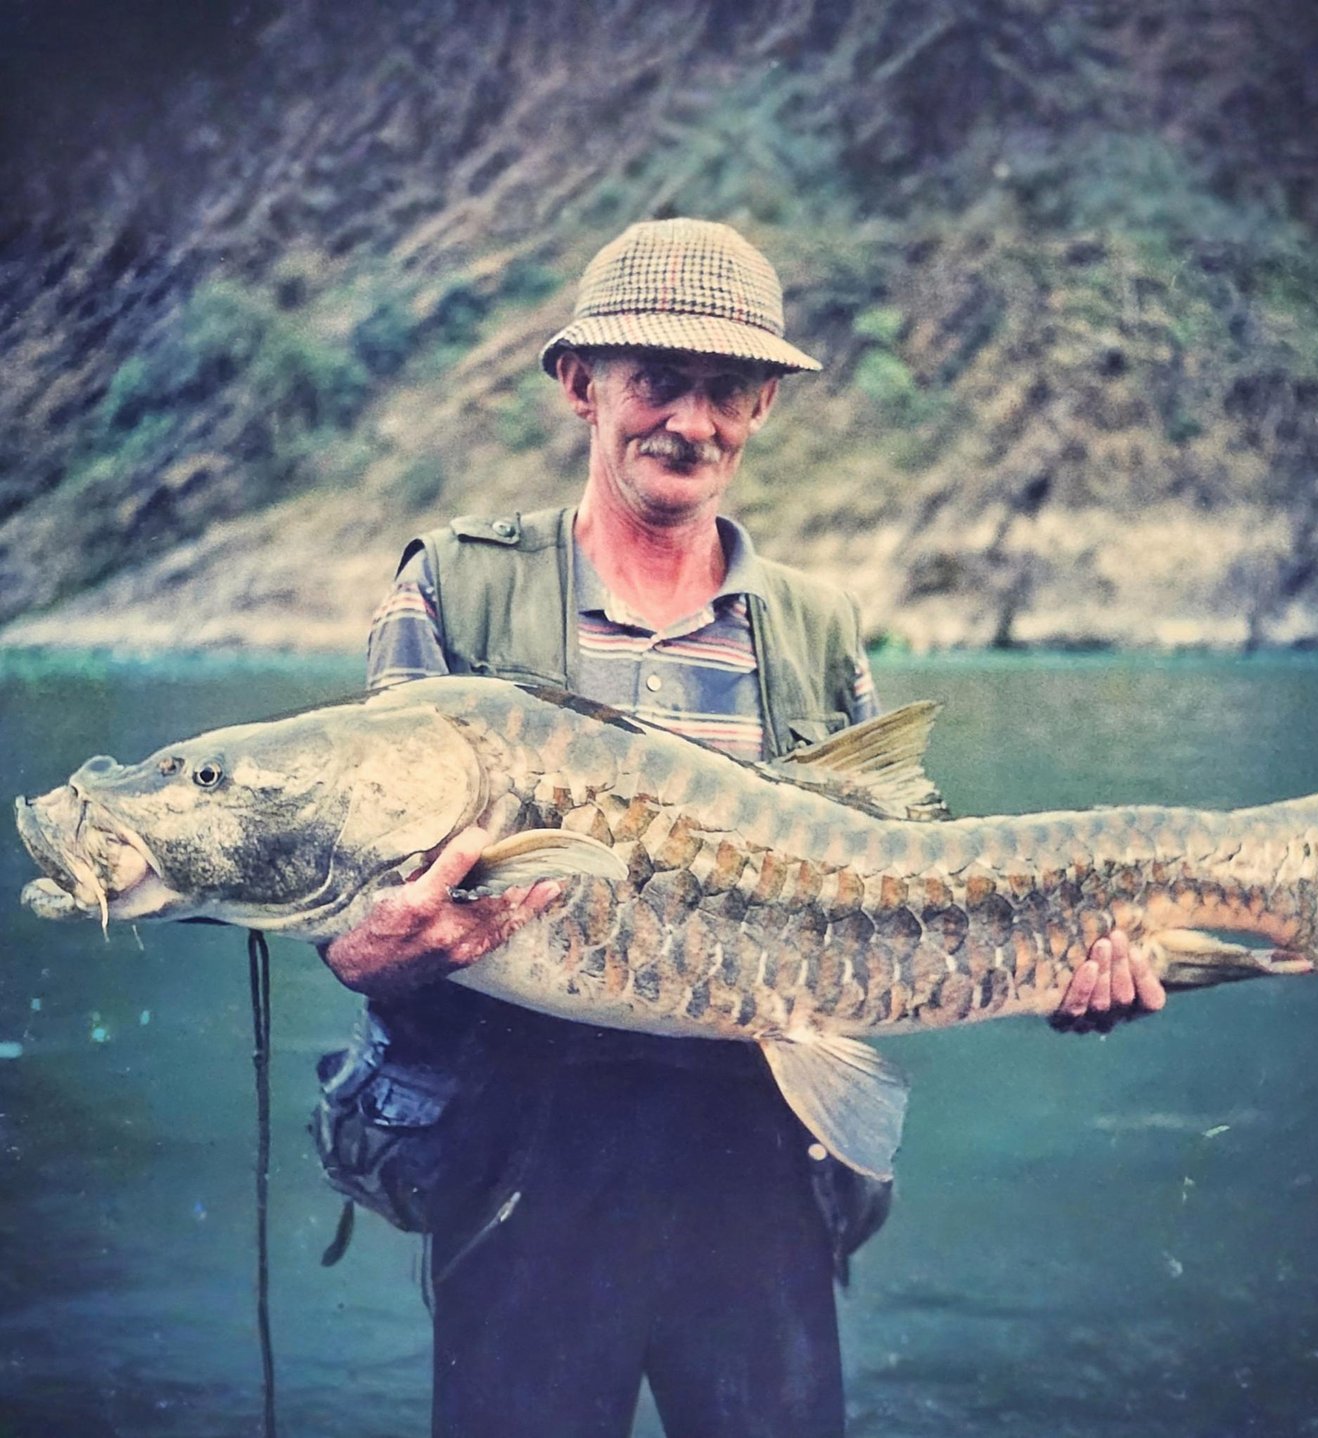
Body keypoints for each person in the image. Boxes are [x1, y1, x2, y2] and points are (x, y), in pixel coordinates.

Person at [311, 218, 1165, 1438]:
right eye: (657, 380)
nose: (691, 423)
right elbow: (354, 865)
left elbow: (895, 894)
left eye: (728, 390)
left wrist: (1061, 966)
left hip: (760, 1170)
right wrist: (364, 957)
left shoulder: (815, 628)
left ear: (764, 403)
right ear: (581, 386)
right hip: (521, 1165)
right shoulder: (456, 588)